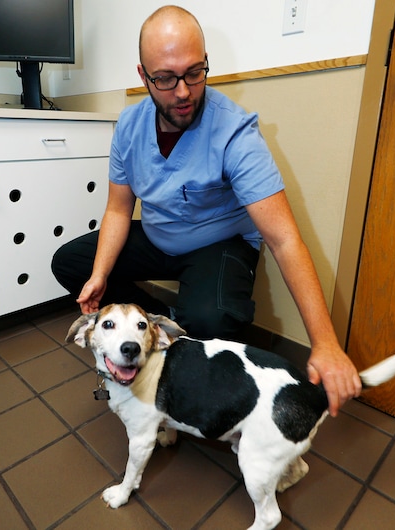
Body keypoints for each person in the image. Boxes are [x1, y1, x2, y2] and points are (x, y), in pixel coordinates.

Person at [52, 5, 360, 415]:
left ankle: (175, 330)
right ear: (143, 76)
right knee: (70, 265)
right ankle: (154, 328)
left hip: (221, 242)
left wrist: (324, 343)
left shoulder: (235, 132)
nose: (183, 91)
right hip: (160, 235)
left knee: (211, 321)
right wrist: (100, 275)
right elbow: (118, 211)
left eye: (195, 72)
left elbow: (284, 239)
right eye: (165, 78)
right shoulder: (128, 127)